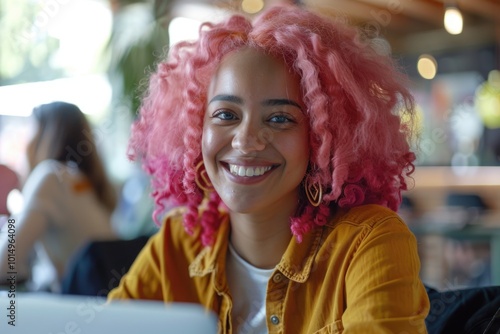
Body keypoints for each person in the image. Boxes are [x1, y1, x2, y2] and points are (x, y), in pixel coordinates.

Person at [108, 5, 430, 333]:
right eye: (226, 115)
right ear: (196, 129)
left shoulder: (370, 242)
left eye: (279, 119)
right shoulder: (177, 244)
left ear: (321, 140)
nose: (246, 141)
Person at [0, 101, 117, 289]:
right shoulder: (86, 180)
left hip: (72, 303)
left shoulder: (51, 177)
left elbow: (4, 265)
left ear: (45, 136)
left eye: (30, 131)